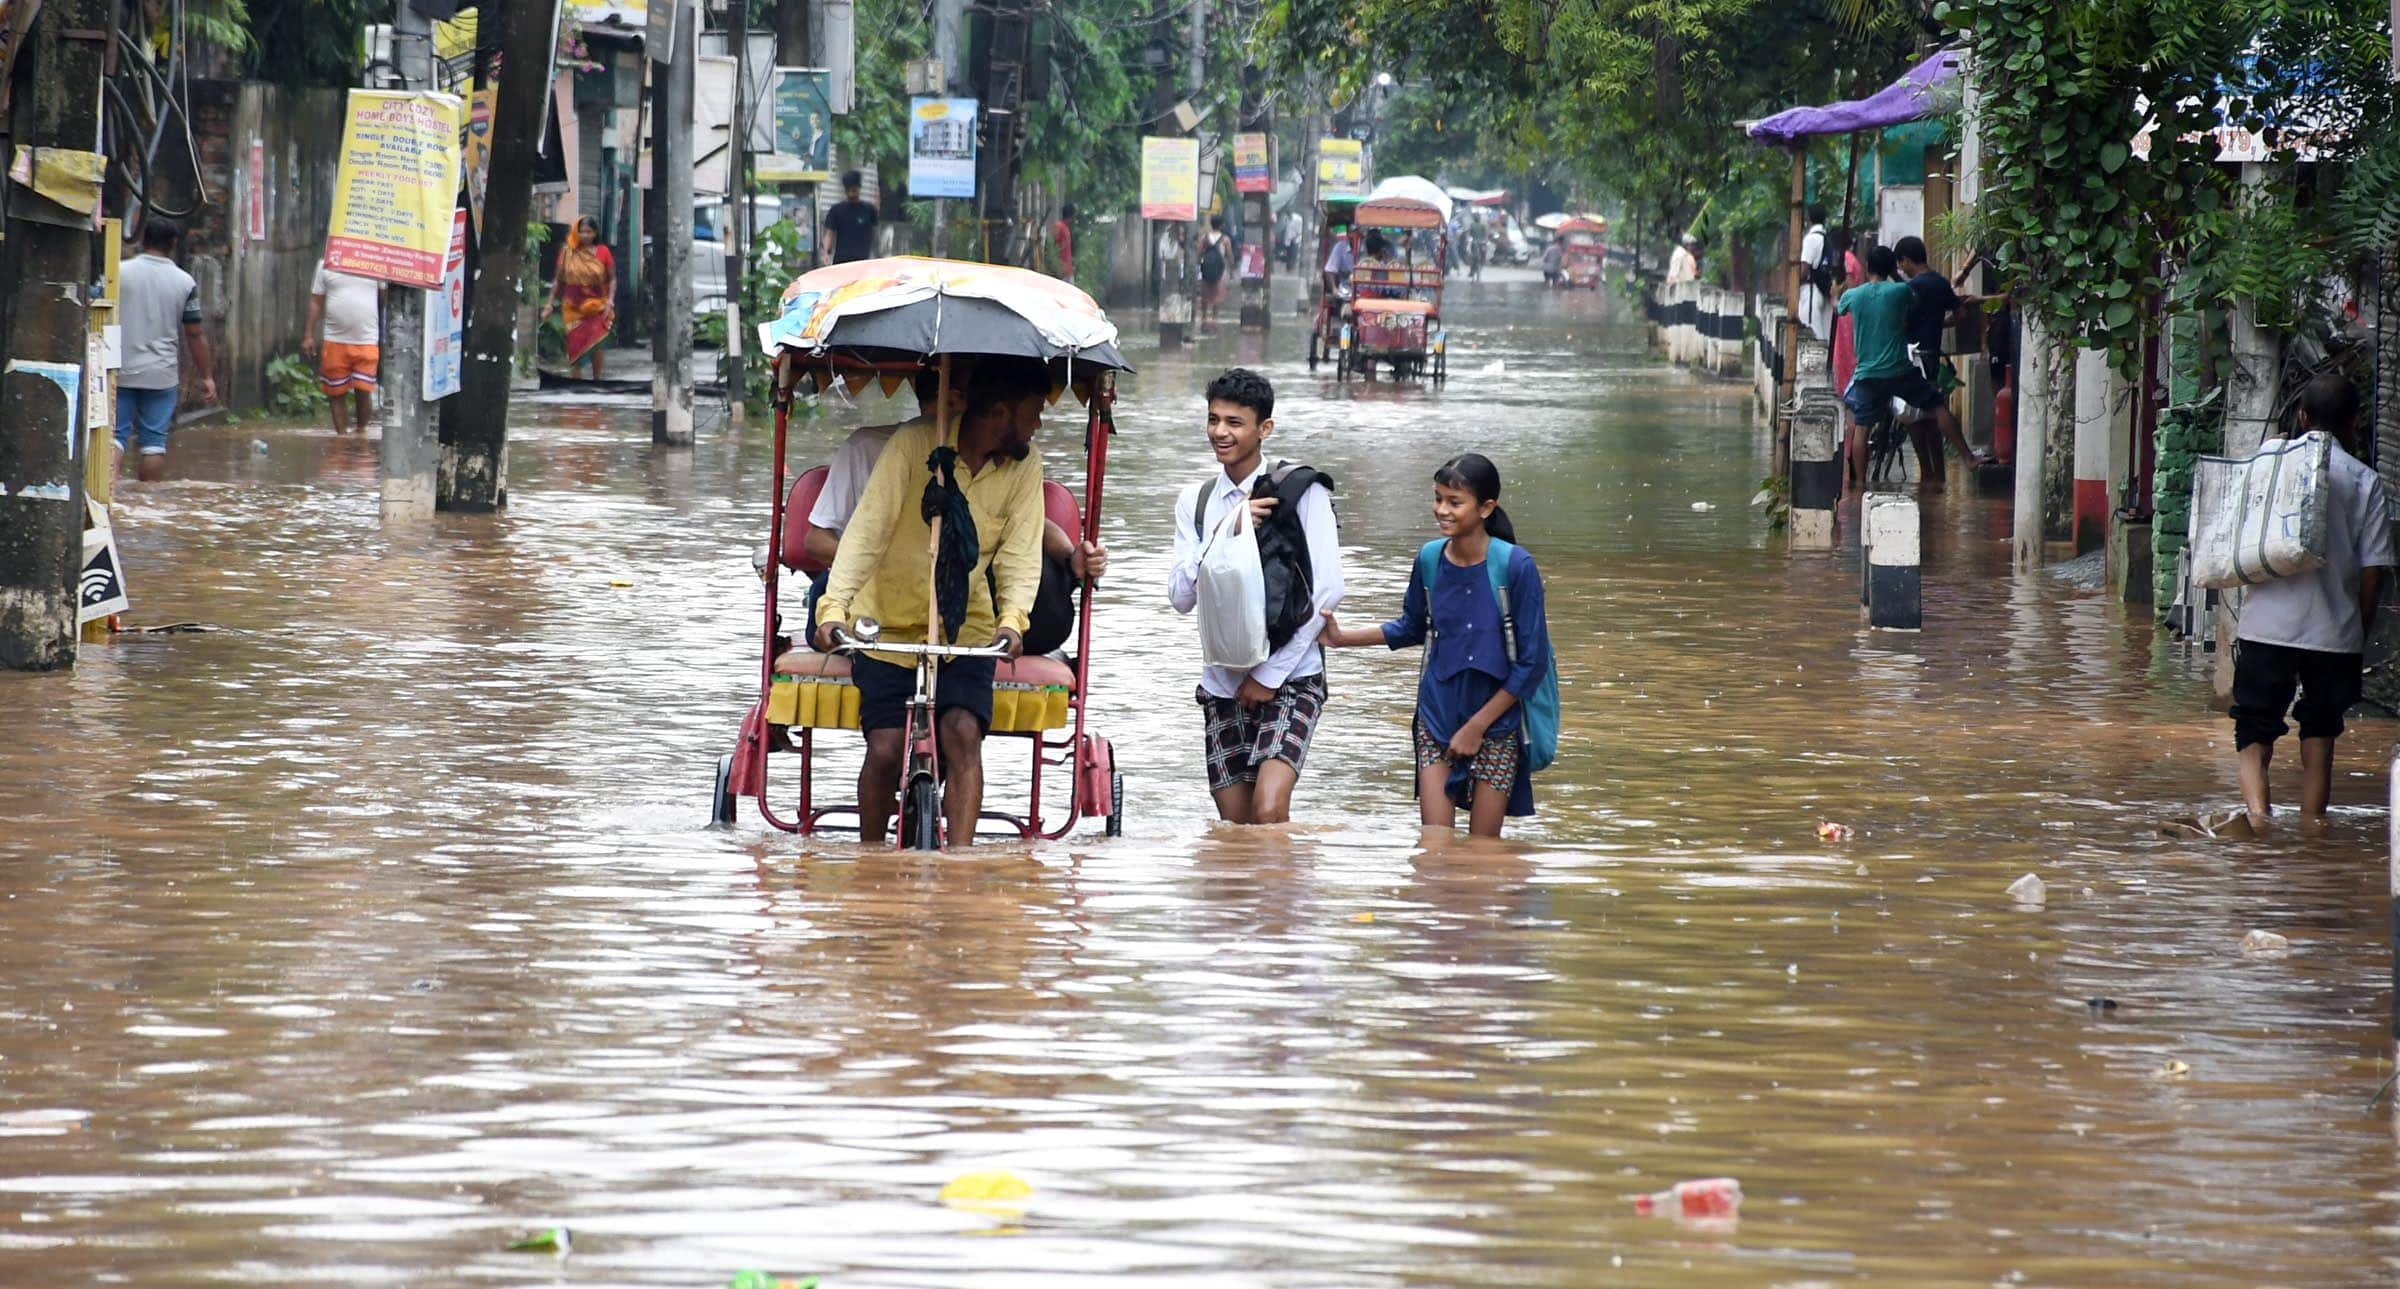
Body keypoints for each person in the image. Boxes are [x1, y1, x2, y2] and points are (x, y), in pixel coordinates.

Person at [812, 358, 1055, 846]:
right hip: (887, 621)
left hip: (967, 627)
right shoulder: (915, 445)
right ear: (1001, 412)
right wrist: (833, 607)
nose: (1037, 425)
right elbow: (868, 531)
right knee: (885, 747)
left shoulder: (1025, 466)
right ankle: (871, 859)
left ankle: (960, 865)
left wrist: (1013, 621)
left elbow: (1020, 553)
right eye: (1031, 414)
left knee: (963, 733)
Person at [1322, 453, 1551, 838]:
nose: (1441, 510)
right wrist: (1342, 639)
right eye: (1438, 498)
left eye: (1454, 502)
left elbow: (1531, 663)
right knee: (1435, 845)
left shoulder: (1516, 567)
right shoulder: (1429, 558)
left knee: (1482, 851)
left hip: (1496, 724)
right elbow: (1413, 626)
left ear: (1486, 507)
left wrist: (1477, 726)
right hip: (1436, 716)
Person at [803, 369, 1103, 650]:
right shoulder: (882, 446)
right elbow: (829, 539)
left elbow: (1025, 528)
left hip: (962, 594)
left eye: (961, 404)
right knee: (832, 600)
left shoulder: (997, 456)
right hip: (871, 589)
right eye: (948, 403)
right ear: (924, 403)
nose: (957, 416)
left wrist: (1070, 554)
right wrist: (885, 566)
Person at [1168, 368, 1345, 826]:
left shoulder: (1302, 491)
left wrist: (1269, 675)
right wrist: (1229, 529)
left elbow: (1328, 588)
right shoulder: (1198, 501)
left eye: (1234, 422)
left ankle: (1284, 897)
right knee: (1234, 826)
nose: (1220, 433)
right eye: (1213, 420)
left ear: (1264, 428)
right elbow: (1181, 597)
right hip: (1222, 679)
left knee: (1268, 810)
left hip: (1291, 674)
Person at [2228, 375, 2395, 828]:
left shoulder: (2266, 464)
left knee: (2253, 731)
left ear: (2301, 417)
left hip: (2265, 626)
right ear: (2353, 422)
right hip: (2333, 631)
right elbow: (2373, 570)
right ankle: (2311, 834)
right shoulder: (2365, 481)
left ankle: (2259, 822)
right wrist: (2355, 630)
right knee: (2321, 735)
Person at [1834, 246, 1946, 491]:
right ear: (1893, 267)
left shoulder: (1854, 295)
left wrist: (1839, 288)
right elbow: (1911, 302)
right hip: (1899, 370)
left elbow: (1839, 307)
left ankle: (1859, 486)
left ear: (1867, 268)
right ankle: (1948, 468)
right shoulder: (1900, 290)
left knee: (1861, 427)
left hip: (1866, 374)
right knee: (1935, 407)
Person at [1893, 235, 1999, 485]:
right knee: (1924, 413)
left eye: (1901, 265)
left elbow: (1904, 322)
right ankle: (1935, 475)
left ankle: (1955, 461)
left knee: (1922, 412)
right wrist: (1939, 323)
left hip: (1914, 355)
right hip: (1932, 353)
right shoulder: (1940, 282)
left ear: (1907, 260)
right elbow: (1960, 312)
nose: (1902, 270)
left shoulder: (1912, 288)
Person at [115, 218, 215, 482]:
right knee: (153, 444)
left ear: (143, 240)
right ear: (172, 245)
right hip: (161, 374)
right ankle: (149, 505)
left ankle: (107, 501)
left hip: (118, 368)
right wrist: (206, 376)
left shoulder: (117, 272)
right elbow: (194, 333)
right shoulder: (184, 282)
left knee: (114, 437)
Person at [303, 255, 384, 435]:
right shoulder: (325, 264)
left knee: (363, 390)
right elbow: (316, 300)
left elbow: (384, 297)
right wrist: (308, 335)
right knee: (335, 392)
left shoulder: (375, 262)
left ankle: (361, 432)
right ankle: (341, 438)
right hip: (335, 340)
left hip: (367, 339)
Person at [542, 215, 615, 379]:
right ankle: (577, 380)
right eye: (582, 232)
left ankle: (597, 379)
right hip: (573, 306)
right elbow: (558, 280)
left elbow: (612, 279)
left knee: (597, 341)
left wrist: (610, 299)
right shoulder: (567, 253)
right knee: (574, 345)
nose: (585, 235)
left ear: (595, 233)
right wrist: (549, 304)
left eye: (589, 232)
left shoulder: (603, 252)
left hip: (597, 305)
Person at [823, 171, 879, 265]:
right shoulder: (836, 210)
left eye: (853, 190)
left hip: (862, 261)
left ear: (859, 188)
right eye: (848, 191)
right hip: (841, 261)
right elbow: (829, 234)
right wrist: (825, 253)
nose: (851, 194)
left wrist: (875, 255)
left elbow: (874, 233)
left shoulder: (869, 209)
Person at [1797, 206, 1833, 341]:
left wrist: (1794, 286)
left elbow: (1804, 268)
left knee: (1810, 334)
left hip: (1811, 290)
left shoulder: (1811, 239)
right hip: (1823, 289)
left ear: (1808, 218)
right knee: (1823, 335)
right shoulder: (1826, 238)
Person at [1198, 214, 1232, 332]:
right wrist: (1232, 268)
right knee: (1217, 294)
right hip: (1219, 269)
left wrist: (1200, 264)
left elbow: (1199, 253)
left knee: (1205, 293)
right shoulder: (1225, 239)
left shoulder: (1204, 238)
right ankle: (1214, 318)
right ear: (1222, 225)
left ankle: (1204, 318)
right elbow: (1229, 255)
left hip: (1206, 268)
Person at [1046, 203, 1075, 281]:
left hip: (1067, 270)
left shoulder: (1065, 228)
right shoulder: (1059, 226)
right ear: (1071, 215)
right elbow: (1051, 246)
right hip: (1060, 270)